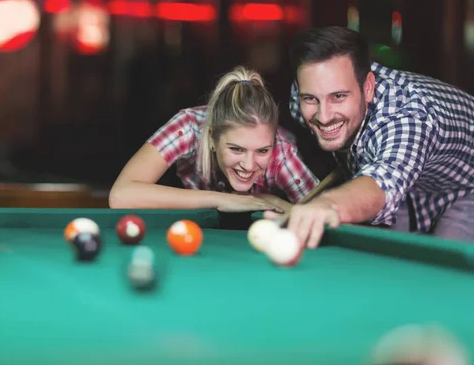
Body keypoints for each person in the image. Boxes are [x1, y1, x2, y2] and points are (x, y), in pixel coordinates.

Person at [265, 26, 474, 247]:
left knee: (442, 267)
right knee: (384, 261)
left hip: (466, 189)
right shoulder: (302, 101)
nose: (323, 117)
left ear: (368, 88)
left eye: (338, 96)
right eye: (311, 99)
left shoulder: (409, 117)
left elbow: (381, 182)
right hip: (414, 186)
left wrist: (328, 204)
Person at [109, 66, 320, 213]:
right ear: (211, 137)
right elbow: (121, 195)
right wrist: (223, 200)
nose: (248, 164)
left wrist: (272, 202)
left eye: (262, 151)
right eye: (236, 149)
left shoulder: (282, 152)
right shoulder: (189, 127)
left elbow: (324, 214)